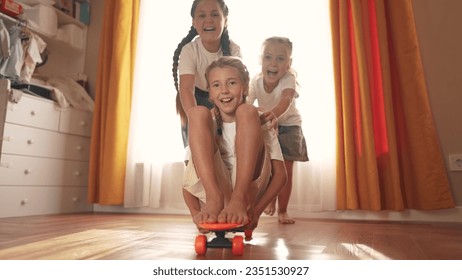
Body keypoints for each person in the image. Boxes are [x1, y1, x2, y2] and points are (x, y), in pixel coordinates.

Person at [183, 57, 287, 231]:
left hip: (247, 193)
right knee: (197, 113)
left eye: (231, 83)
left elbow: (280, 176)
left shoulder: (259, 118)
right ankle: (213, 197)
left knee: (247, 111)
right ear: (209, 92)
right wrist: (195, 213)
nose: (224, 91)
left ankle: (238, 197)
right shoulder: (204, 124)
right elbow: (188, 179)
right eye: (216, 85)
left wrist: (256, 211)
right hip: (214, 193)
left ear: (245, 87)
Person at [247, 37, 309, 224]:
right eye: (268, 57)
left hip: (289, 127)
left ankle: (283, 210)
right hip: (268, 126)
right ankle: (269, 199)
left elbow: (286, 100)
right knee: (269, 167)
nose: (273, 63)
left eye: (281, 59)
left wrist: (272, 115)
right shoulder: (255, 81)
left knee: (285, 170)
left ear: (289, 63)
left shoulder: (289, 78)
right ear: (260, 60)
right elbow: (247, 103)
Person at [172, 0, 241, 147]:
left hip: (224, 98)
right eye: (202, 15)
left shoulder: (233, 50)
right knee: (196, 149)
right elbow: (186, 89)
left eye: (215, 14)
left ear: (225, 20)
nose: (209, 20)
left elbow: (239, 89)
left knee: (224, 147)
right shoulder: (189, 51)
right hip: (194, 99)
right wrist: (196, 119)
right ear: (194, 22)